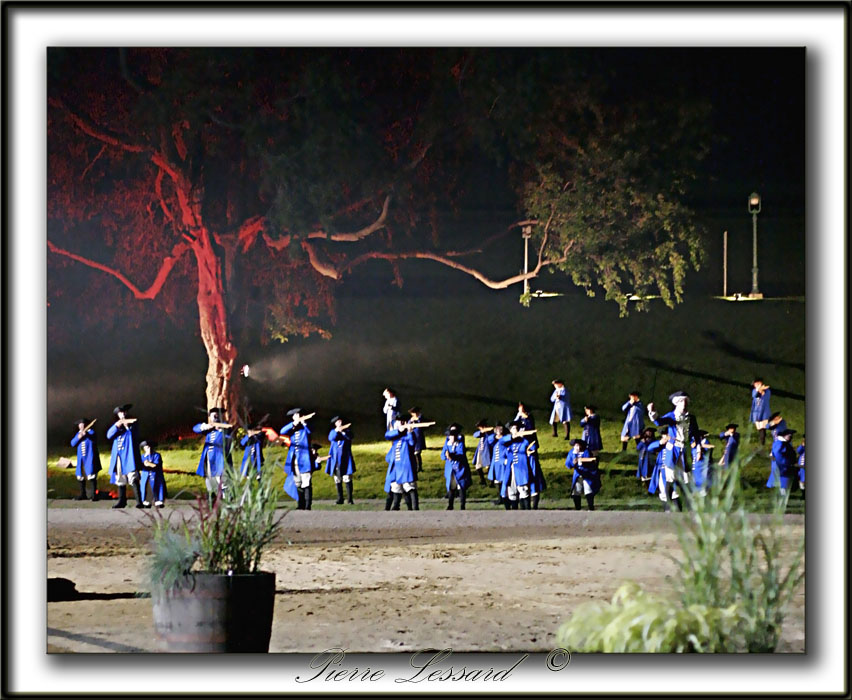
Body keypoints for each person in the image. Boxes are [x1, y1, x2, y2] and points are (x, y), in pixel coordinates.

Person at [648, 391, 700, 478]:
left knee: (686, 476)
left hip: (686, 449)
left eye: (685, 401)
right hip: (674, 449)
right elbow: (659, 422)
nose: (684, 404)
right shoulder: (671, 416)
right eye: (681, 401)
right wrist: (652, 411)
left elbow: (696, 434)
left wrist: (699, 450)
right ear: (676, 403)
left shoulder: (692, 418)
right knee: (672, 475)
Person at [106, 404, 143, 509]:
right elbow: (109, 435)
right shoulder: (117, 426)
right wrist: (118, 425)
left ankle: (139, 501)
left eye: (123, 413)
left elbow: (133, 435)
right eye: (119, 413)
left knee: (133, 477)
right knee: (120, 479)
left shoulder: (133, 424)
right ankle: (122, 501)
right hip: (119, 456)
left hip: (129, 455)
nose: (121, 415)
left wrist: (126, 425)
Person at [194, 407, 234, 496]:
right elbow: (195, 428)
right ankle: (213, 498)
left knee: (223, 478)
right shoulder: (209, 430)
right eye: (214, 416)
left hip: (220, 457)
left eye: (218, 415)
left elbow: (229, 434)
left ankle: (227, 497)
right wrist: (206, 426)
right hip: (209, 458)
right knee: (210, 480)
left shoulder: (225, 428)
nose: (216, 417)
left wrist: (221, 428)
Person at [280, 408, 315, 510]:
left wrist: (304, 423)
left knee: (306, 481)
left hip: (304, 459)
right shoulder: (292, 428)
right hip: (294, 459)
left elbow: (309, 431)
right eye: (295, 416)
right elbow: (282, 431)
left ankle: (308, 505)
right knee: (297, 482)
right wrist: (294, 423)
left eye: (299, 415)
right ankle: (300, 504)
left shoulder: (305, 427)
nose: (298, 417)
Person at [646, 418, 684, 512]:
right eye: (663, 435)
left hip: (673, 474)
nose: (665, 437)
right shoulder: (661, 447)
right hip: (662, 476)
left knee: (676, 499)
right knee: (665, 501)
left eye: (666, 434)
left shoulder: (676, 445)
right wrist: (660, 442)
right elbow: (649, 448)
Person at [499, 419, 535, 510]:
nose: (515, 430)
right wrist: (505, 461)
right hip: (510, 473)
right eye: (513, 428)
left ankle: (527, 513)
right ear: (510, 430)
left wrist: (528, 439)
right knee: (512, 495)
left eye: (516, 428)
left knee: (524, 492)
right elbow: (501, 456)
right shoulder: (507, 442)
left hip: (521, 471)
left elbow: (533, 446)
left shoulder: (524, 441)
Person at [383, 419, 419, 510]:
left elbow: (412, 442)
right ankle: (395, 506)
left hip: (406, 466)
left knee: (409, 486)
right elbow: (387, 435)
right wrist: (399, 430)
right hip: (396, 467)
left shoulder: (408, 436)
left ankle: (414, 508)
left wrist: (410, 432)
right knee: (396, 488)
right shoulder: (395, 436)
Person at [565, 438, 601, 511]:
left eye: (578, 445)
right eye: (575, 446)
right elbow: (568, 464)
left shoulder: (586, 451)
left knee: (588, 490)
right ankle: (577, 508)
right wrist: (573, 462)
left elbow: (589, 462)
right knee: (576, 491)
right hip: (578, 474)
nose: (577, 447)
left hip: (587, 474)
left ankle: (591, 507)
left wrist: (582, 461)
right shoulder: (571, 453)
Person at [327, 416, 356, 505]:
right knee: (337, 479)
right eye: (337, 422)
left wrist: (343, 431)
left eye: (340, 421)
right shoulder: (333, 432)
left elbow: (350, 437)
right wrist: (337, 431)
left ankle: (350, 499)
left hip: (346, 459)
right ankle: (340, 498)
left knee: (347, 478)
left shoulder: (347, 432)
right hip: (336, 460)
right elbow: (331, 437)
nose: (339, 423)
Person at [442, 423, 472, 510]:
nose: (452, 437)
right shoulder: (447, 443)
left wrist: (451, 456)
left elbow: (461, 453)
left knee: (461, 486)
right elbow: (443, 454)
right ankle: (450, 505)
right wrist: (446, 455)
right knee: (451, 487)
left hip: (459, 468)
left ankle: (462, 506)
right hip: (450, 469)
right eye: (451, 435)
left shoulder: (460, 442)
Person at [70, 418, 101, 501]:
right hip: (81, 460)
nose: (81, 426)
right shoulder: (78, 434)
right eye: (80, 424)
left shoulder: (91, 432)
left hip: (90, 459)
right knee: (81, 476)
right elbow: (72, 443)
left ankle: (94, 495)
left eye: (82, 424)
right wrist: (79, 437)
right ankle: (82, 494)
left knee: (91, 476)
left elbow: (93, 438)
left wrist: (86, 434)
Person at [768, 428, 798, 496]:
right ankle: (782, 499)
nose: (791, 438)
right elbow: (778, 455)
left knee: (784, 484)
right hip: (782, 467)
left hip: (785, 467)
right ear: (784, 436)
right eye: (789, 436)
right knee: (783, 484)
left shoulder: (784, 443)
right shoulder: (780, 444)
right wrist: (785, 464)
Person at [487, 423, 509, 507]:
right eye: (497, 429)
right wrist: (496, 436)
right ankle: (500, 498)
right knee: (497, 481)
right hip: (495, 463)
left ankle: (505, 498)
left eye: (500, 429)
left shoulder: (505, 438)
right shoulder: (494, 439)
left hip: (502, 463)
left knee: (503, 480)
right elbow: (489, 440)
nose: (498, 430)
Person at [139, 440, 166, 508]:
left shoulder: (157, 455)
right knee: (146, 488)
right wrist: (146, 464)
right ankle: (147, 502)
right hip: (146, 475)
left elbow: (156, 465)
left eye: (149, 447)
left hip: (156, 475)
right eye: (146, 447)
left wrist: (148, 464)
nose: (149, 449)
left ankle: (158, 501)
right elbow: (140, 465)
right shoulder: (142, 457)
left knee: (157, 487)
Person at [471, 418, 494, 487]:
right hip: (480, 451)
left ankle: (491, 482)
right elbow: (475, 435)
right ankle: (482, 480)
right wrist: (482, 431)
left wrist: (486, 430)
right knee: (478, 466)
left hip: (487, 452)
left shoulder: (489, 433)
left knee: (488, 467)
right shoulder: (481, 433)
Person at [749, 379, 772, 446]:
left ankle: (762, 442)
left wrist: (762, 390)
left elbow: (766, 397)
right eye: (755, 384)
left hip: (764, 411)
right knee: (759, 427)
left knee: (763, 427)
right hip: (756, 412)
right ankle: (761, 440)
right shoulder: (754, 391)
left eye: (758, 384)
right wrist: (758, 389)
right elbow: (754, 395)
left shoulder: (767, 391)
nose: (757, 385)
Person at [408, 407, 427, 473]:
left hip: (418, 437)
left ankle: (419, 467)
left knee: (417, 453)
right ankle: (415, 466)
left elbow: (421, 424)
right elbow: (408, 425)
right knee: (413, 453)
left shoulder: (420, 418)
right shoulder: (411, 419)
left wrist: (416, 422)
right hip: (413, 437)